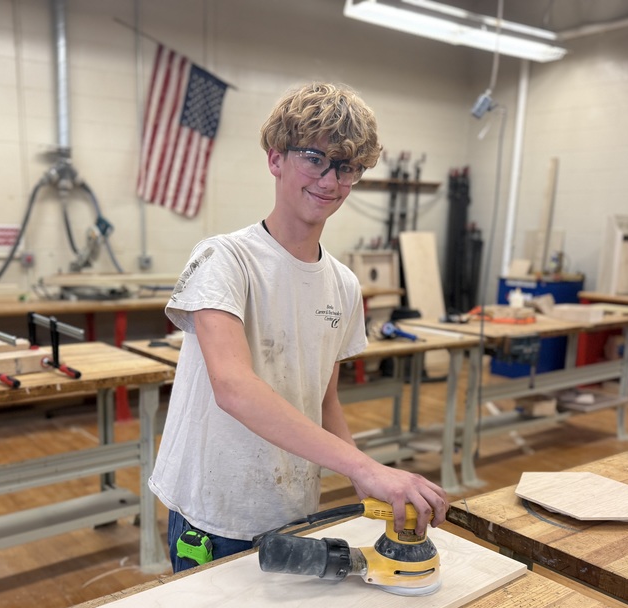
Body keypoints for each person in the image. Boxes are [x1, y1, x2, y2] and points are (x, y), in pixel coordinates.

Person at [149, 82, 448, 572]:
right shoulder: (224, 259)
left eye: (346, 166)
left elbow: (323, 402)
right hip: (213, 512)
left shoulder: (345, 285)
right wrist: (367, 467)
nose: (329, 181)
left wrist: (365, 483)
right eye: (314, 157)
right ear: (275, 159)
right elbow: (233, 387)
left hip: (291, 508)